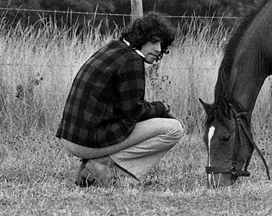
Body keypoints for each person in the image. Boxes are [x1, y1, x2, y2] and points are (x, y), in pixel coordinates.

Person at [56, 12, 184, 187]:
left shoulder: (113, 48)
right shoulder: (131, 60)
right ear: (141, 38)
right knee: (174, 129)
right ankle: (101, 165)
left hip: (70, 137)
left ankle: (93, 166)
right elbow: (134, 112)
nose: (158, 49)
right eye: (154, 42)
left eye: (162, 44)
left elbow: (124, 107)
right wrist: (163, 108)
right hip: (86, 142)